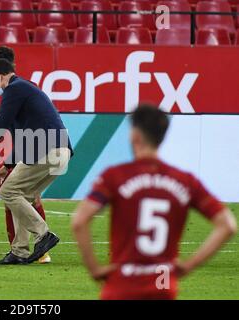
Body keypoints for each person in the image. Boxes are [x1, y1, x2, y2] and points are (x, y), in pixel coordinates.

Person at [72, 104, 237, 300]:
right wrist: (189, 265)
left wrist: (94, 269)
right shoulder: (185, 181)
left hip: (121, 287)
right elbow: (227, 225)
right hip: (163, 286)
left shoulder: (115, 176)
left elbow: (79, 221)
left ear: (135, 136)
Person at [0, 58, 73, 265]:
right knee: (21, 195)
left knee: (8, 192)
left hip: (46, 150)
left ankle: (43, 235)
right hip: (60, 152)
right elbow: (21, 134)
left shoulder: (13, 89)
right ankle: (20, 251)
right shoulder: (25, 89)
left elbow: (2, 125)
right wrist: (8, 165)